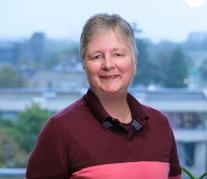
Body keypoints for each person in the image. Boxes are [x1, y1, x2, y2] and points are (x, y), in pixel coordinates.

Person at [26, 13, 182, 179]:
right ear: (85, 66)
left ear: (134, 64)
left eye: (118, 54)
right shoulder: (59, 130)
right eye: (97, 56)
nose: (108, 65)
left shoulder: (161, 125)